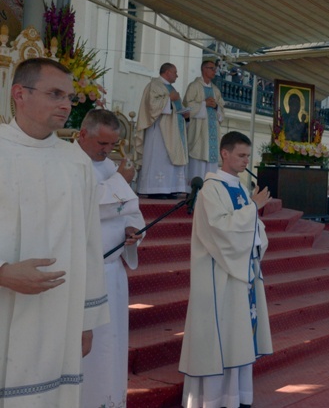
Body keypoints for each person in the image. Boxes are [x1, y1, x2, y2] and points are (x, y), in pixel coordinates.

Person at [0, 58, 109, 406]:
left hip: (58, 317)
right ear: (20, 93)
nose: (66, 105)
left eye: (69, 97)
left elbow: (92, 245)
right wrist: (2, 273)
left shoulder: (76, 163)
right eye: (55, 94)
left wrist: (87, 320)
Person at [179, 131, 273, 408]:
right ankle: (211, 400)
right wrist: (253, 209)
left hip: (241, 274)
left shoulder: (241, 189)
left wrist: (255, 229)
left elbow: (252, 229)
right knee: (220, 337)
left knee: (238, 338)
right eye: (241, 155)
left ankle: (236, 397)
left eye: (247, 155)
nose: (246, 161)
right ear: (225, 154)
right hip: (218, 276)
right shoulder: (211, 189)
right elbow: (220, 229)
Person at [77, 109, 146, 408]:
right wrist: (120, 181)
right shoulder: (70, 165)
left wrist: (134, 230)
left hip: (114, 273)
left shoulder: (110, 168)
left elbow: (132, 211)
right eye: (102, 144)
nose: (107, 151)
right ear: (82, 134)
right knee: (91, 353)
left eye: (112, 144)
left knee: (113, 344)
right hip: (85, 274)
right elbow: (84, 210)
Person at [135, 62, 189, 199]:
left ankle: (170, 188)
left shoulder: (171, 88)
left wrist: (184, 114)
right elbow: (151, 106)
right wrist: (169, 99)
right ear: (167, 72)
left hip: (174, 131)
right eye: (175, 72)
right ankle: (155, 189)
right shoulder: (154, 85)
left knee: (169, 159)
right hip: (158, 131)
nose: (177, 75)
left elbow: (176, 108)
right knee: (159, 157)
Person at [183, 60, 226, 190]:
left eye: (215, 69)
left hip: (212, 132)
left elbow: (222, 110)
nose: (214, 71)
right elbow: (186, 107)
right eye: (211, 68)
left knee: (211, 167)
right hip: (199, 132)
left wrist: (216, 106)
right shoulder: (194, 86)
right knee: (198, 160)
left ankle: (210, 191)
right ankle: (193, 192)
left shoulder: (216, 90)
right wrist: (203, 104)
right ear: (203, 69)